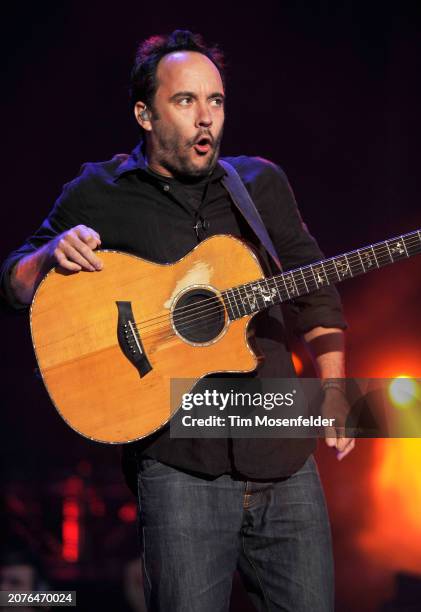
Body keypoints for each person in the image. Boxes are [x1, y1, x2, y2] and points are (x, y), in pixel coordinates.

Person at [1, 30, 354, 611]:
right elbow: (12, 282)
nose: (206, 118)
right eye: (186, 101)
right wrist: (48, 255)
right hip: (178, 468)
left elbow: (314, 289)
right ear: (144, 113)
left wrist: (337, 383)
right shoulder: (98, 191)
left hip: (282, 454)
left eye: (215, 101)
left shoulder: (260, 184)